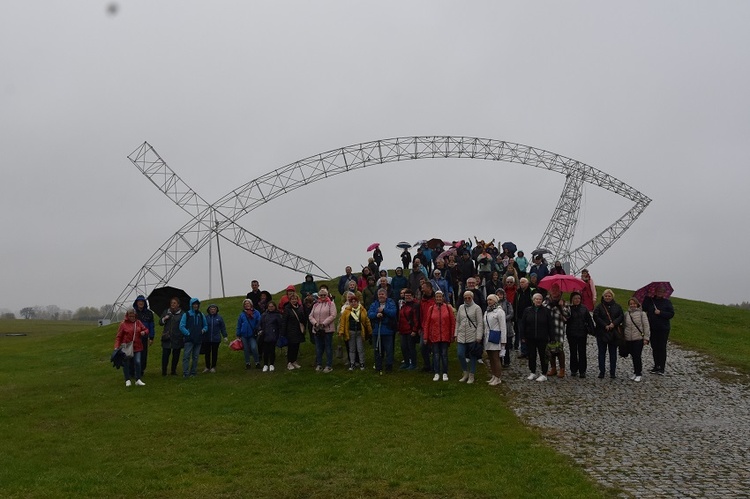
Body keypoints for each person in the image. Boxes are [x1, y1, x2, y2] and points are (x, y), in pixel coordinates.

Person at [519, 293, 553, 381]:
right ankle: (532, 372)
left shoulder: (546, 311)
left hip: (543, 338)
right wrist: (522, 336)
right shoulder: (527, 310)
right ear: (533, 300)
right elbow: (523, 324)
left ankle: (544, 373)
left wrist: (552, 337)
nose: (538, 301)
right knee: (531, 355)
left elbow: (550, 325)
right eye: (536, 299)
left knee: (543, 356)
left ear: (542, 301)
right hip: (530, 337)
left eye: (540, 299)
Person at [423, 290, 455, 381]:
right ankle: (436, 372)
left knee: (444, 354)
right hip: (434, 335)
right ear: (435, 298)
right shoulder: (431, 308)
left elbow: (452, 322)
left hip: (445, 335)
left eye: (440, 297)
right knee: (436, 355)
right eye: (437, 297)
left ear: (443, 298)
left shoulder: (448, 308)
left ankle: (445, 372)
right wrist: (425, 336)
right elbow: (427, 323)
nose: (438, 298)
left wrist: (452, 334)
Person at [642, 285, 674, 375]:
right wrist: (647, 298)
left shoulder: (667, 302)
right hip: (652, 327)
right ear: (655, 292)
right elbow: (644, 308)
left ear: (664, 293)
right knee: (654, 347)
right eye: (658, 291)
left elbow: (671, 314)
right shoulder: (651, 300)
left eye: (661, 291)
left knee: (662, 347)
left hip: (663, 328)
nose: (659, 293)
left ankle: (661, 367)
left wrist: (661, 313)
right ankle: (656, 366)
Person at [455, 291, 485, 384]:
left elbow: (480, 323)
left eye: (469, 298)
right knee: (460, 354)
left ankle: (472, 374)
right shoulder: (461, 307)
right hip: (461, 334)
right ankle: (465, 372)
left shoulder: (477, 308)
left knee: (472, 355)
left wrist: (479, 336)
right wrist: (456, 333)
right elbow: (458, 321)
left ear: (472, 298)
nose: (467, 299)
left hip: (472, 334)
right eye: (465, 298)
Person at [593, 289, 624, 379]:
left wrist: (613, 324)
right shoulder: (599, 307)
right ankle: (602, 371)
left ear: (612, 297)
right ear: (603, 296)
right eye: (606, 296)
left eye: (609, 296)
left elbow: (621, 316)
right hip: (601, 332)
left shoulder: (617, 307)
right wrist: (604, 325)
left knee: (613, 354)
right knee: (601, 353)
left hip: (613, 333)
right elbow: (596, 317)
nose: (607, 297)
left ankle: (612, 372)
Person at [114, 308, 149, 387]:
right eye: (130, 316)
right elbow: (119, 337)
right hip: (126, 346)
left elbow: (146, 329)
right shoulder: (123, 324)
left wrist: (144, 332)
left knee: (138, 362)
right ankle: (127, 379)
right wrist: (116, 346)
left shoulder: (138, 322)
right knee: (126, 363)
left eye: (133, 316)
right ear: (127, 316)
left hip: (137, 346)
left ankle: (138, 379)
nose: (132, 318)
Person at [339, 293, 372, 371]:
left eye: (355, 301)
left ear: (358, 302)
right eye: (352, 302)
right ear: (349, 303)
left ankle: (362, 363)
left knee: (360, 348)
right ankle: (352, 363)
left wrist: (370, 331)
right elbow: (342, 322)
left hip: (360, 332)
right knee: (352, 349)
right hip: (351, 332)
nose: (353, 303)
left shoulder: (362, 310)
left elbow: (367, 321)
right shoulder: (346, 311)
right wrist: (341, 331)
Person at [544, 284, 571, 378]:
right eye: (553, 290)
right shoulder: (546, 302)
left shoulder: (564, 302)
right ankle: (553, 368)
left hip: (559, 328)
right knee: (550, 349)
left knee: (559, 349)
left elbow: (568, 315)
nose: (555, 293)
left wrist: (562, 307)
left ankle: (562, 369)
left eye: (557, 291)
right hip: (548, 330)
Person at [368, 288, 397, 373]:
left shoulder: (391, 303)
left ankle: (389, 366)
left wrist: (384, 311)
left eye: (382, 294)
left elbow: (393, 312)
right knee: (377, 349)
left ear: (386, 295)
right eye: (379, 294)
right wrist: (377, 315)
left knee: (389, 350)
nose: (381, 296)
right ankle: (378, 366)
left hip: (388, 330)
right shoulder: (374, 304)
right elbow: (369, 314)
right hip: (377, 330)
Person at [566, 292, 594, 378]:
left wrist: (591, 330)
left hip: (582, 333)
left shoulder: (584, 308)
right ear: (572, 299)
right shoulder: (569, 309)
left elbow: (589, 320)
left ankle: (582, 370)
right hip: (571, 333)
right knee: (573, 352)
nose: (577, 300)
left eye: (578, 298)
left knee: (582, 352)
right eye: (575, 298)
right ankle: (573, 369)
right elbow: (565, 319)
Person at [309, 288, 337, 373]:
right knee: (318, 348)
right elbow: (310, 316)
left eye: (324, 295)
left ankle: (329, 365)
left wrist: (324, 324)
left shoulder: (331, 304)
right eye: (321, 295)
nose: (323, 296)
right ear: (319, 296)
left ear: (327, 295)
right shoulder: (315, 305)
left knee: (328, 347)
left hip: (327, 330)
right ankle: (319, 364)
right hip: (317, 329)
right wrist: (316, 324)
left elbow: (333, 315)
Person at [623, 297, 651, 382]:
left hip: (638, 338)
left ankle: (639, 373)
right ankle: (635, 372)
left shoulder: (642, 314)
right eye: (631, 304)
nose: (632, 305)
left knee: (637, 356)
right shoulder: (626, 314)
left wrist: (646, 338)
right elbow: (624, 326)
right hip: (628, 338)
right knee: (633, 356)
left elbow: (646, 326)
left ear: (637, 304)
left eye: (634, 303)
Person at [179, 298, 207, 378]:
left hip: (198, 338)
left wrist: (203, 330)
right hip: (189, 339)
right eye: (194, 304)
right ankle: (185, 372)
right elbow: (181, 326)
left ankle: (193, 372)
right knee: (186, 356)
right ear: (191, 305)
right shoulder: (186, 314)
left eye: (197, 304)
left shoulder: (201, 315)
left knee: (195, 356)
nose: (196, 306)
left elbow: (205, 325)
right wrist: (187, 333)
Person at [483, 294, 507, 385]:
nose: (489, 301)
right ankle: (493, 375)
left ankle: (498, 377)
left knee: (495, 357)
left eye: (491, 300)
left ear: (495, 301)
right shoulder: (487, 311)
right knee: (491, 358)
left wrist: (503, 342)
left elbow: (503, 327)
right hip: (488, 337)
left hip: (496, 337)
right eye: (488, 300)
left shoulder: (499, 312)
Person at [281, 293, 307, 370]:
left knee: (296, 346)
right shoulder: (287, 308)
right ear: (290, 300)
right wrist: (283, 332)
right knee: (291, 347)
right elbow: (284, 321)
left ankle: (294, 361)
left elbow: (303, 318)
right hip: (290, 331)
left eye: (295, 299)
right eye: (292, 299)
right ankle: (289, 362)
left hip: (298, 330)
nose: (294, 300)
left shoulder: (300, 308)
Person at [159, 297, 184, 376]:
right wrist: (164, 318)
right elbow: (160, 322)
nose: (172, 304)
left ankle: (173, 371)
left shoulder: (182, 314)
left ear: (178, 304)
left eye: (174, 303)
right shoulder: (166, 311)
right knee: (165, 355)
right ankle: (164, 372)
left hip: (177, 337)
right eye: (171, 303)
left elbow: (184, 324)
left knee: (176, 355)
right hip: (167, 337)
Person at [397, 288, 420, 370]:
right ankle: (406, 362)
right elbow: (400, 317)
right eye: (406, 296)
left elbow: (416, 319)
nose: (407, 297)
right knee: (403, 347)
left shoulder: (415, 305)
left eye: (409, 296)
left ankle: (413, 363)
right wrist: (399, 329)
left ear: (412, 296)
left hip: (410, 330)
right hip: (403, 330)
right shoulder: (403, 305)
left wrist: (414, 330)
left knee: (411, 348)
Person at [132, 295, 155, 376]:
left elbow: (151, 325)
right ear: (136, 303)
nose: (141, 303)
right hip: (134, 338)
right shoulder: (133, 312)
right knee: (133, 355)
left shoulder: (149, 313)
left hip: (144, 337)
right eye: (139, 301)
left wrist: (151, 337)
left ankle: (141, 370)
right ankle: (132, 371)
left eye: (142, 301)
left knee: (143, 355)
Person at [236, 298, 261, 369]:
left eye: (248, 303)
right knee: (246, 349)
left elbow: (259, 321)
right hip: (244, 335)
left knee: (254, 348)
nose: (247, 305)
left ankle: (257, 362)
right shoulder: (242, 314)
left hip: (252, 334)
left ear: (251, 304)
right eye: (245, 304)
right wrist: (238, 334)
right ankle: (247, 363)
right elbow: (239, 324)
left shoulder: (256, 312)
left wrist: (258, 329)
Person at [202, 304, 227, 373]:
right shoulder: (206, 317)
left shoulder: (219, 318)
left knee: (214, 353)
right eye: (211, 309)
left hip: (216, 339)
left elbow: (222, 327)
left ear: (216, 310)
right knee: (207, 353)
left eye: (214, 309)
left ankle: (213, 366)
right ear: (209, 310)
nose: (212, 310)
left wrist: (225, 336)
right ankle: (207, 367)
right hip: (206, 338)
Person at [514, 277, 534, 357]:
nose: (521, 284)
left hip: (530, 316)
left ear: (527, 283)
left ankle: (530, 351)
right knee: (521, 334)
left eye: (523, 282)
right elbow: (515, 304)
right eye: (520, 282)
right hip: (520, 316)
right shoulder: (518, 292)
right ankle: (523, 351)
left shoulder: (532, 291)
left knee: (529, 333)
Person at [495, 288, 514, 367]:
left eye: (501, 294)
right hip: (497, 327)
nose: (499, 296)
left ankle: (506, 361)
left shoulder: (507, 303)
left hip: (506, 326)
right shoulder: (494, 304)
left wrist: (503, 318)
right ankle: (499, 361)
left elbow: (511, 313)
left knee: (505, 345)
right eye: (498, 294)